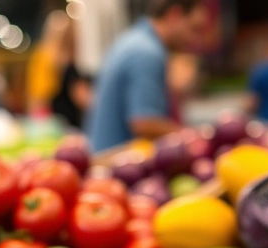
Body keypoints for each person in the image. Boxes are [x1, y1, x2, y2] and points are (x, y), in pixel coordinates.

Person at [86, 0, 210, 152]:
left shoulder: (135, 40)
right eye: (194, 29)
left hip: (106, 158)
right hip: (117, 165)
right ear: (174, 15)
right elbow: (144, 123)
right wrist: (192, 136)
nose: (194, 40)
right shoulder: (147, 53)